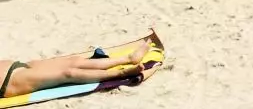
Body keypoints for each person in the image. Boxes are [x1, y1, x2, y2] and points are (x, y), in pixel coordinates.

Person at [1, 38, 154, 99]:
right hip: (10, 82)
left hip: (16, 66)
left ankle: (128, 58)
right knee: (68, 73)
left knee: (72, 61)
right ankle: (120, 73)